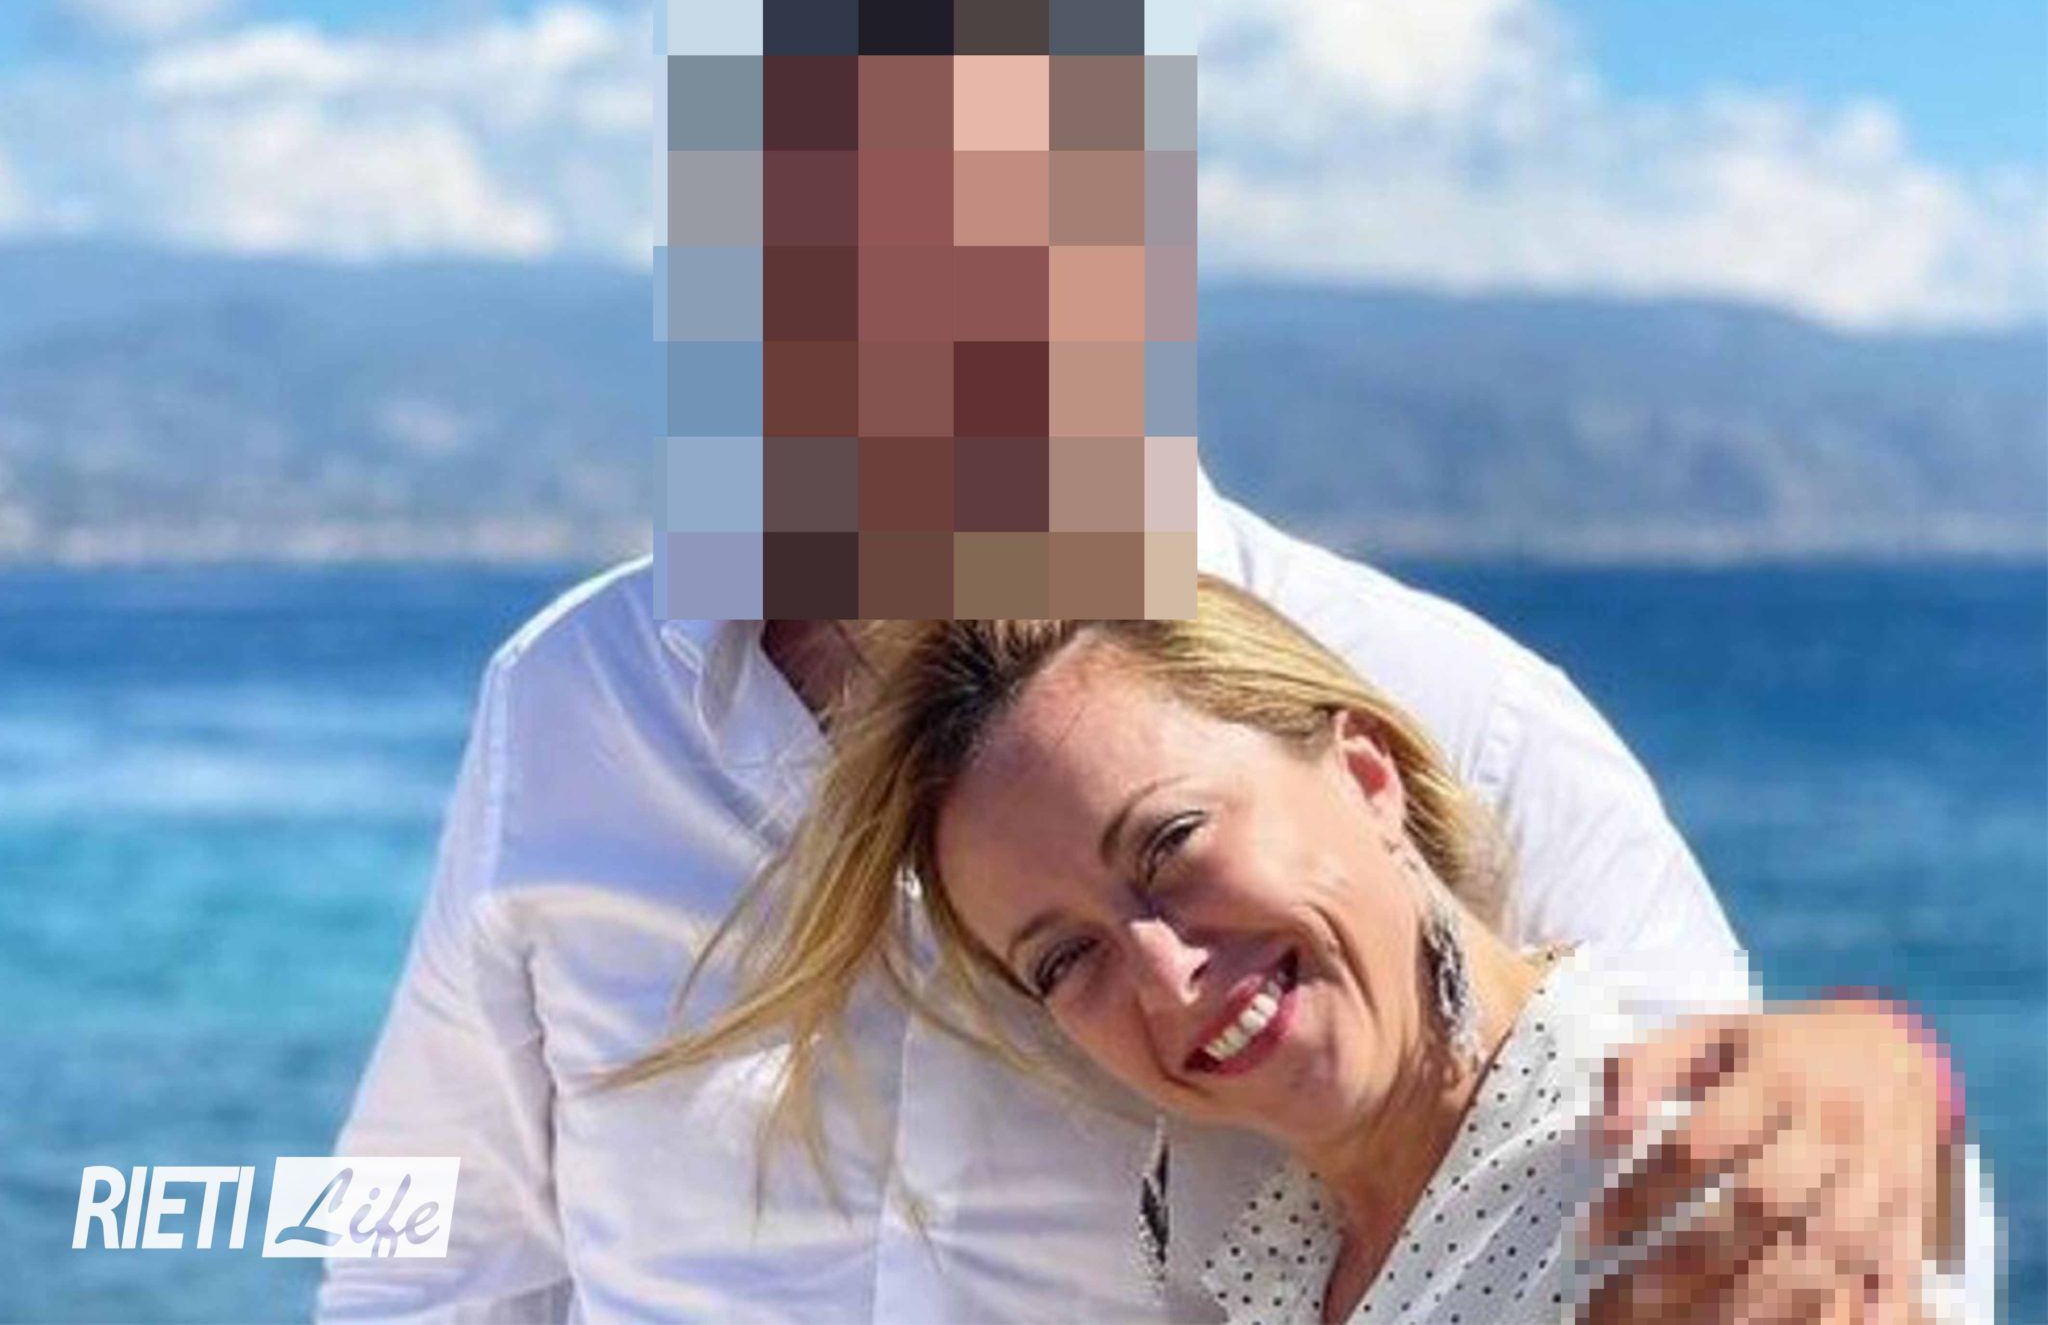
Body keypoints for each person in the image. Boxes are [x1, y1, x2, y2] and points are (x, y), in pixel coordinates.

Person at [318, 470, 1979, 1322]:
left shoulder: (1432, 691)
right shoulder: (566, 702)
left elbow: (1748, 1149)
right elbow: (425, 1241)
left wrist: (1889, 1056)